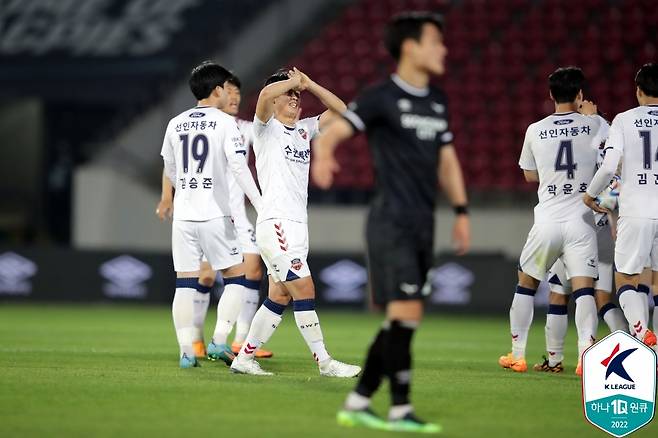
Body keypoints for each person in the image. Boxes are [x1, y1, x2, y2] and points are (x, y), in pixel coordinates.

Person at [312, 12, 469, 433]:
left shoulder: (438, 101)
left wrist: (461, 212)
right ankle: (400, 409)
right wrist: (324, 153)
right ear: (410, 47)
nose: (444, 49)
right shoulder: (382, 96)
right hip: (391, 223)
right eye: (436, 41)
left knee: (404, 319)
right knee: (404, 313)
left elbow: (448, 160)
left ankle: (360, 400)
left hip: (423, 223)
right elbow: (337, 129)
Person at [229, 67, 361, 378]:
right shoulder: (264, 128)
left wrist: (309, 84)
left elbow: (344, 111)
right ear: (275, 100)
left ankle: (244, 358)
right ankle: (325, 362)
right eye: (287, 93)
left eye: (296, 95)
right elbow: (263, 94)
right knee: (304, 287)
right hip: (276, 224)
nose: (293, 97)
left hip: (297, 226)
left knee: (280, 295)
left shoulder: (305, 129)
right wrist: (289, 83)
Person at [157, 74, 273, 360]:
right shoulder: (225, 123)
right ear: (218, 90)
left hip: (184, 217)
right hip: (215, 215)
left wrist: (175, 195)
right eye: (227, 89)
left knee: (184, 282)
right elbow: (239, 167)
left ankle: (186, 351)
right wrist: (260, 203)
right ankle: (220, 339)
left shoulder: (175, 122)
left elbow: (170, 169)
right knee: (236, 276)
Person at [498, 66, 605, 374]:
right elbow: (612, 158)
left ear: (550, 95)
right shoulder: (596, 125)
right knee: (584, 289)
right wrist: (595, 117)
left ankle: (517, 354)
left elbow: (530, 173)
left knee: (526, 285)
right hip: (582, 222)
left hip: (547, 220)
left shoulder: (535, 129)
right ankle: (586, 356)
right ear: (580, 94)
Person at [583, 63, 658, 348]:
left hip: (636, 211)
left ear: (638, 91)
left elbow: (608, 167)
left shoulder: (624, 120)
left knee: (626, 278)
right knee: (656, 284)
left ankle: (642, 336)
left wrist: (590, 195)